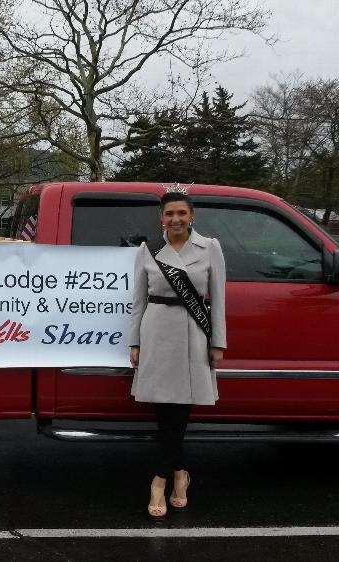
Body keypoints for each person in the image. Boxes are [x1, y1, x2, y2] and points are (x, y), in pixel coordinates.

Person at [127, 190, 226, 520]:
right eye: (169, 213)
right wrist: (134, 342)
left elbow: (219, 302)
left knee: (179, 410)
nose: (176, 219)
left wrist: (218, 343)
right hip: (156, 332)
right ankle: (180, 473)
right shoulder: (148, 250)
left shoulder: (210, 248)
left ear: (192, 215)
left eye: (181, 213)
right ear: (161, 217)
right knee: (163, 410)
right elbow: (138, 301)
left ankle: (159, 481)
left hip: (192, 334)